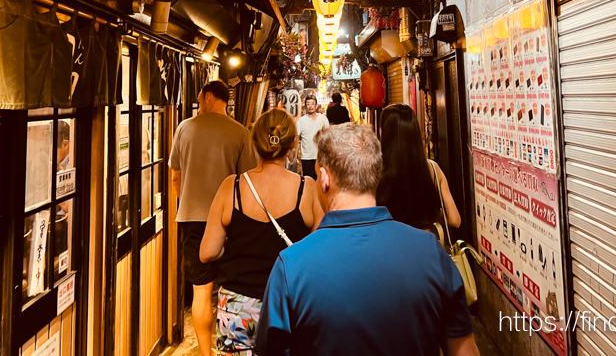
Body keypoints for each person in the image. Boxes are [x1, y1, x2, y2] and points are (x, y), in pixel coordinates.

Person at [255, 123, 479, 356]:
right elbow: (464, 350)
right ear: (375, 175)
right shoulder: (431, 252)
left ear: (324, 178)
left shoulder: (291, 266)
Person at [199, 109, 323, 354]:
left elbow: (206, 253)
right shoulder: (306, 189)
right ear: (292, 147)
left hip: (237, 306)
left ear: (254, 144)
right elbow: (320, 255)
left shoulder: (231, 187)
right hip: (290, 305)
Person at [169, 80, 258, 356]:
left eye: (199, 98)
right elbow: (248, 181)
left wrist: (187, 200)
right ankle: (228, 346)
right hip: (231, 220)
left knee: (201, 291)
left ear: (208, 97)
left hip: (193, 219)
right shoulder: (239, 132)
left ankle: (206, 353)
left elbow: (175, 175)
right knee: (228, 287)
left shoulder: (185, 128)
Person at [377, 104, 461, 231]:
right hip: (423, 245)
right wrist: (431, 214)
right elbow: (454, 220)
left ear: (383, 131)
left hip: (386, 242)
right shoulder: (433, 169)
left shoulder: (374, 170)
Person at [295, 95, 329, 180]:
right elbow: (297, 139)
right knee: (308, 181)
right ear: (305, 106)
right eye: (308, 104)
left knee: (321, 181)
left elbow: (328, 136)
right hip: (306, 157)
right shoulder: (301, 121)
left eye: (312, 104)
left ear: (316, 105)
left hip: (320, 157)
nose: (310, 106)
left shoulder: (323, 119)